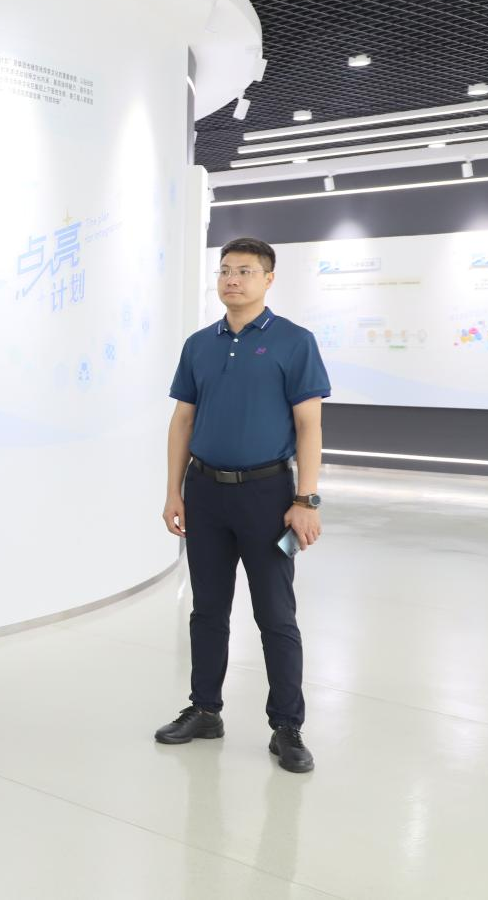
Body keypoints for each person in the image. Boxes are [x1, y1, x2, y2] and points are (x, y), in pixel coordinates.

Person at [157, 236, 330, 773]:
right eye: (225, 270)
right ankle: (205, 709)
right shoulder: (199, 345)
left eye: (245, 271)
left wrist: (306, 499)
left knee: (275, 614)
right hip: (205, 492)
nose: (232, 279)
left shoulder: (294, 342)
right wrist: (174, 491)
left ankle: (287, 726)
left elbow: (309, 425)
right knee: (207, 609)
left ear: (268, 279)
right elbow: (183, 420)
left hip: (268, 496)